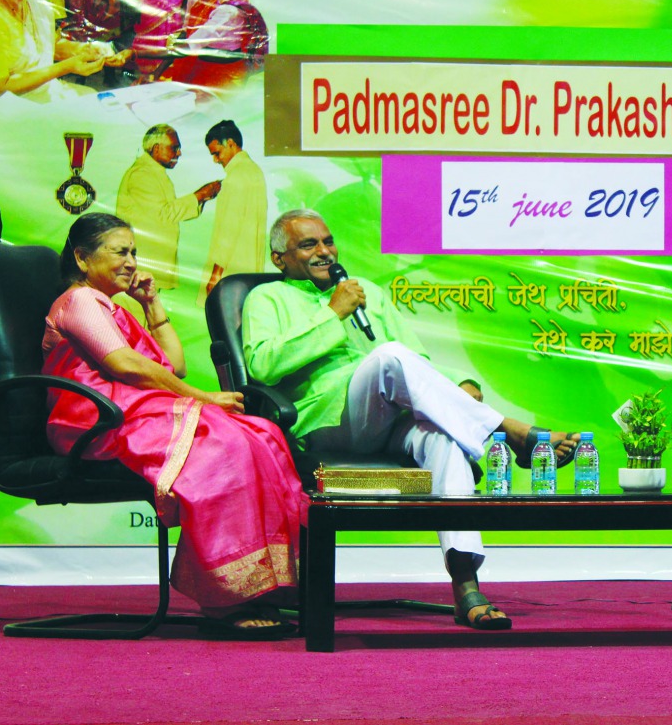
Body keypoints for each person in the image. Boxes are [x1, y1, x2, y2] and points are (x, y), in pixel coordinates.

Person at [241, 209, 580, 630]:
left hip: (390, 419)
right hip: (328, 423)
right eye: (309, 245)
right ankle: (509, 430)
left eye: (328, 241)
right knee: (388, 355)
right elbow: (263, 365)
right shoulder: (267, 299)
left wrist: (457, 389)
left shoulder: (370, 294)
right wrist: (332, 313)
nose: (325, 251)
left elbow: (415, 361)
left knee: (444, 440)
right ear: (280, 258)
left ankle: (466, 587)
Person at [43, 212, 305, 637]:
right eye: (119, 251)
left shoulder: (112, 308)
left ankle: (268, 582)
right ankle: (226, 594)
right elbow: (125, 366)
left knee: (262, 435)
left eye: (133, 252)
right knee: (224, 444)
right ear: (82, 258)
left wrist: (151, 304)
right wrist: (205, 398)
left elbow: (174, 366)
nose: (131, 261)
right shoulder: (79, 301)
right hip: (97, 421)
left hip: (134, 410)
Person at [115, 124, 220, 290]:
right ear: (156, 148)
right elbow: (164, 215)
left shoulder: (153, 172)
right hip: (141, 268)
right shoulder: (142, 175)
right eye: (174, 148)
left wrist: (204, 198)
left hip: (151, 267)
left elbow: (169, 212)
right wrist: (199, 195)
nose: (179, 153)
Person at [197, 119, 266, 301]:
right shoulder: (254, 171)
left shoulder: (236, 177)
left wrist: (215, 275)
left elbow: (229, 229)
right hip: (249, 273)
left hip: (230, 272)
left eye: (217, 153)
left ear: (230, 143)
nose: (215, 160)